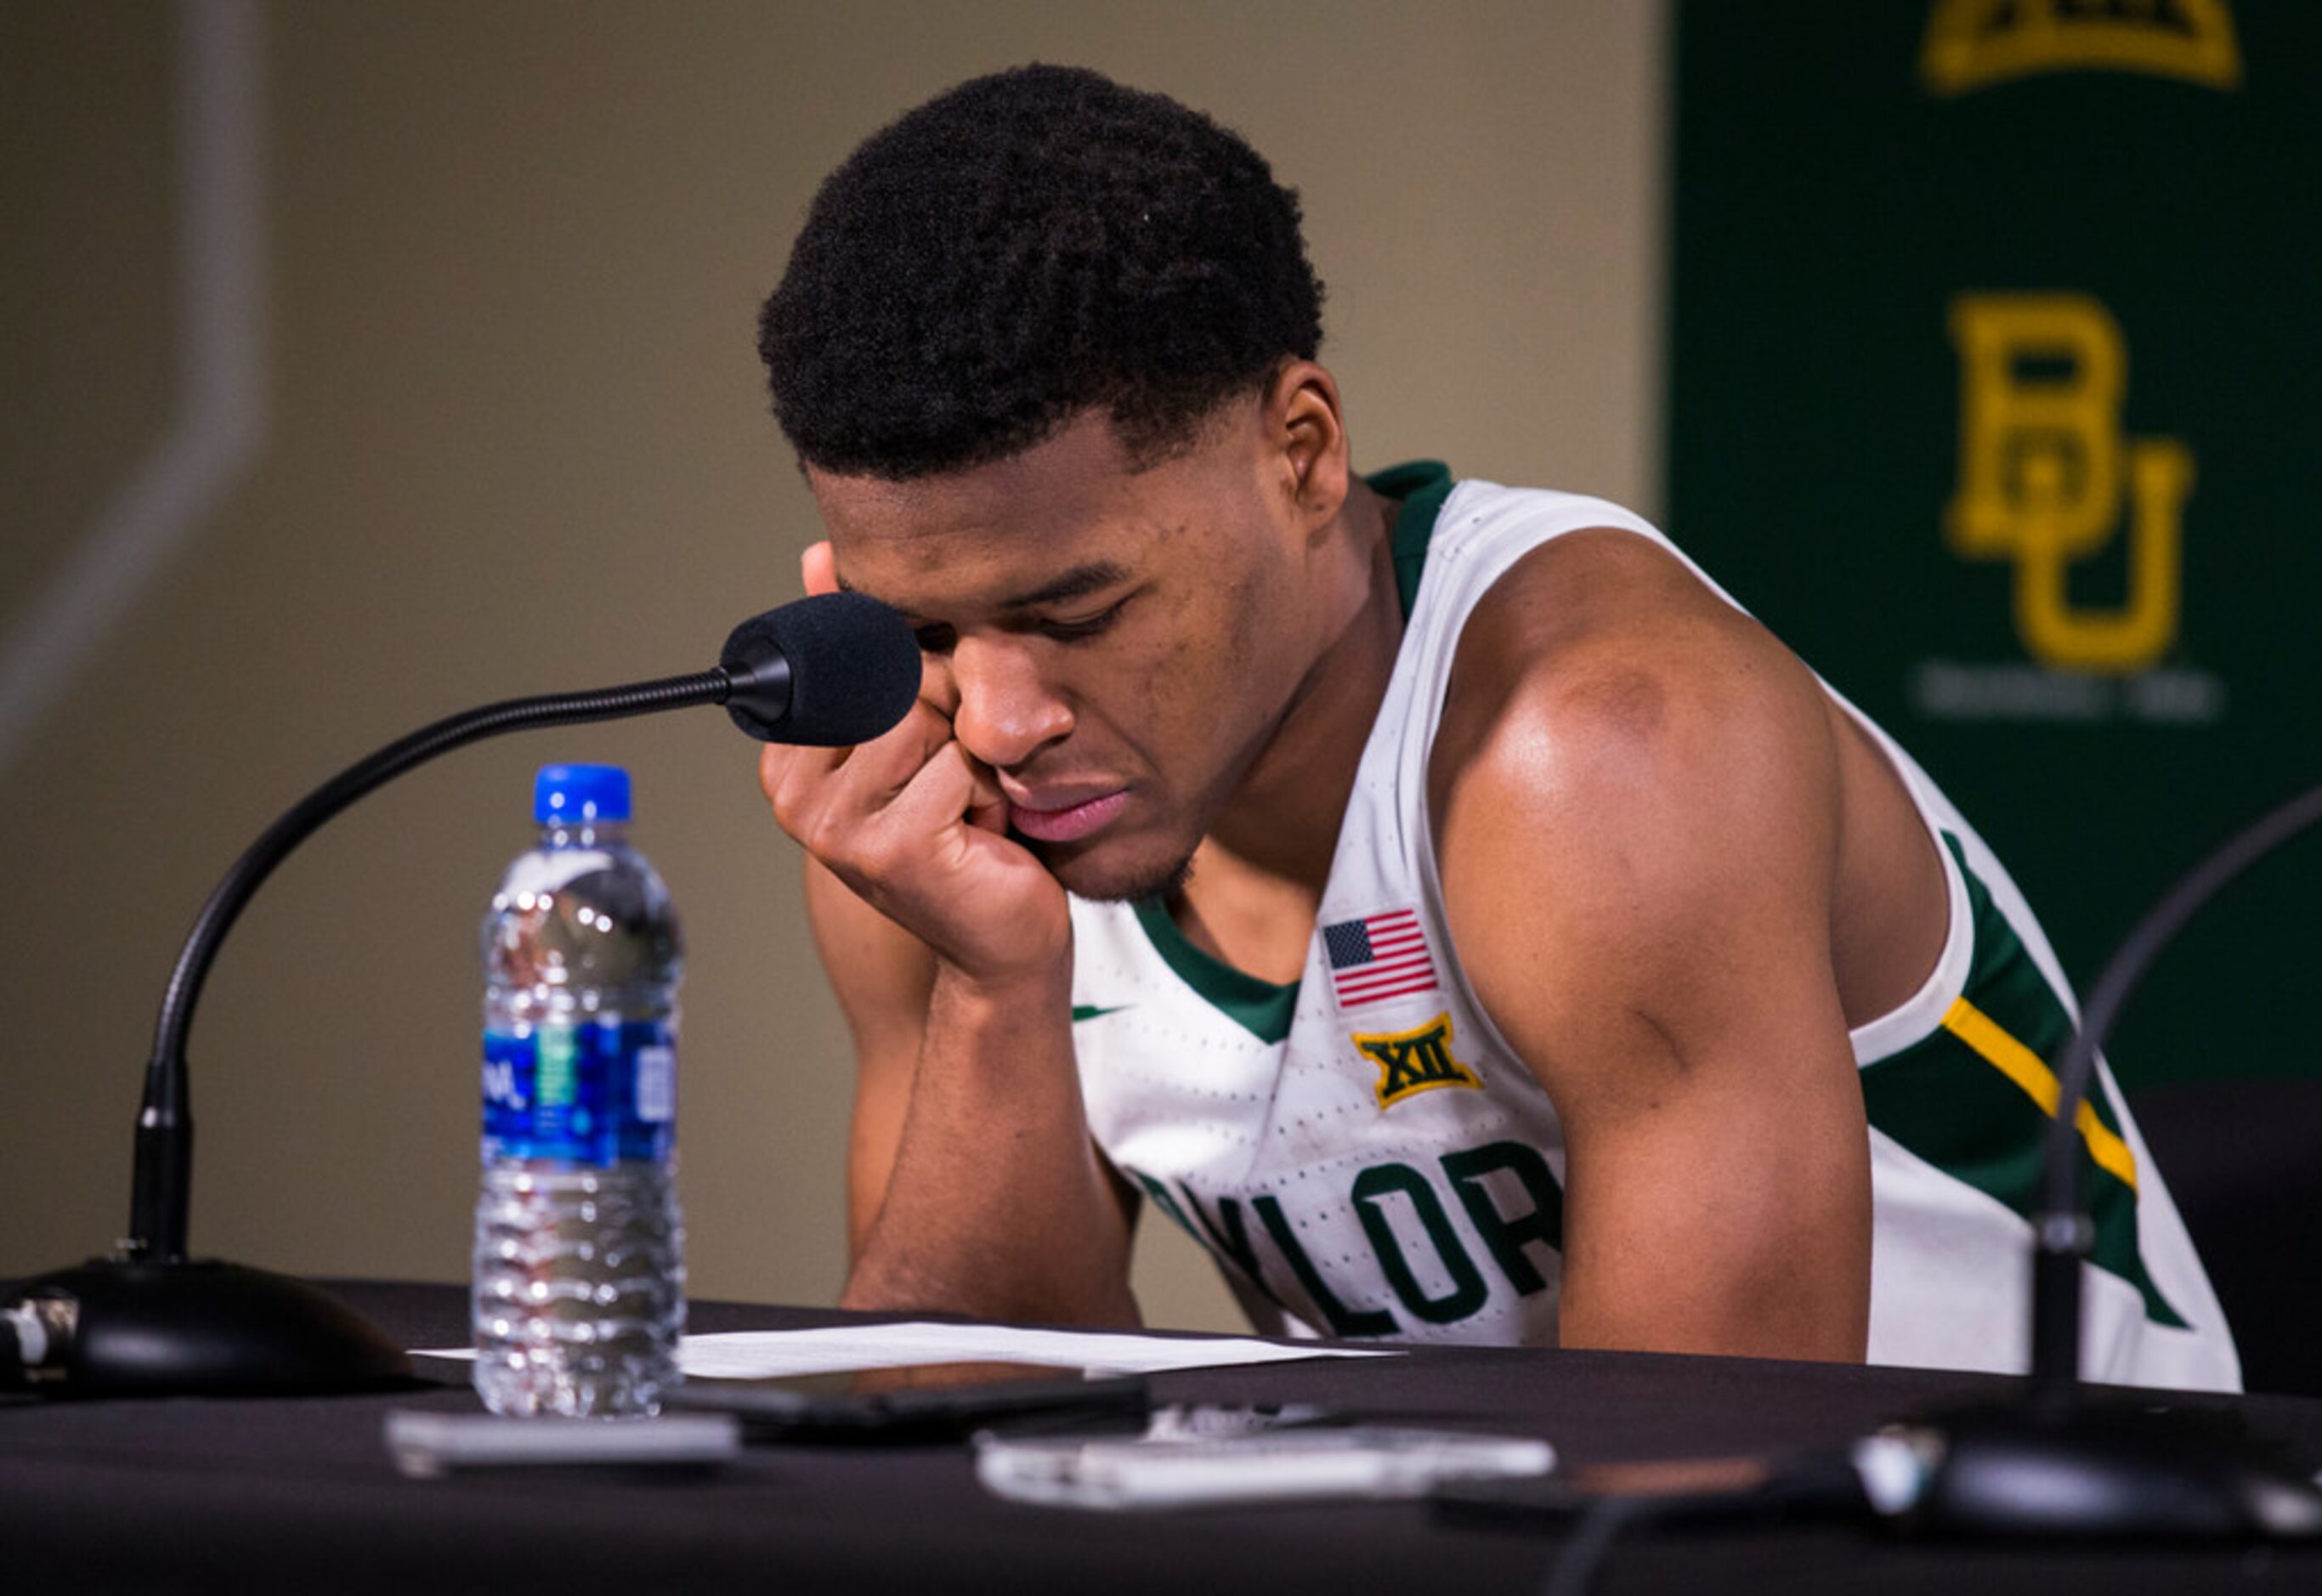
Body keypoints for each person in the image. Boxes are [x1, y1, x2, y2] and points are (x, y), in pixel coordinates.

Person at [750, 64, 2238, 1389]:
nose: (1000, 719)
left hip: (2069, 1541)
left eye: (1078, 613)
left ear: (1304, 453)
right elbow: (960, 1436)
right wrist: (997, 990)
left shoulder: (1601, 752)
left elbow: (1695, 1500)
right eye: (927, 630)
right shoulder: (926, 809)